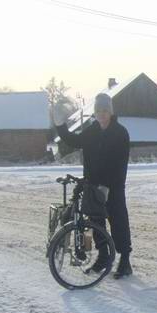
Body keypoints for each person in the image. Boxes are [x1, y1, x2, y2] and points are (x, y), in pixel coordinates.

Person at [53, 93, 133, 279]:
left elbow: (120, 164)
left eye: (105, 110)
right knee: (96, 223)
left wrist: (108, 186)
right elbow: (74, 141)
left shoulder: (120, 132)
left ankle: (125, 261)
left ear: (110, 112)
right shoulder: (92, 130)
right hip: (93, 186)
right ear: (95, 112)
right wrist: (60, 126)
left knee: (119, 222)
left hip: (113, 188)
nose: (102, 114)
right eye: (98, 111)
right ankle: (103, 257)